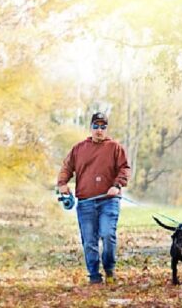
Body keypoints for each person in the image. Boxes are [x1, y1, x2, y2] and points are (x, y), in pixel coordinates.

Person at [57, 112, 131, 285]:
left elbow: (124, 169)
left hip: (109, 200)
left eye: (103, 127)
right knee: (89, 240)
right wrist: (62, 183)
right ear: (90, 128)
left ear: (106, 129)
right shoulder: (78, 148)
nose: (99, 130)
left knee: (107, 234)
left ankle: (109, 269)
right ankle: (94, 276)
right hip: (85, 202)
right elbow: (67, 167)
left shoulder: (115, 148)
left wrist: (117, 185)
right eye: (96, 126)